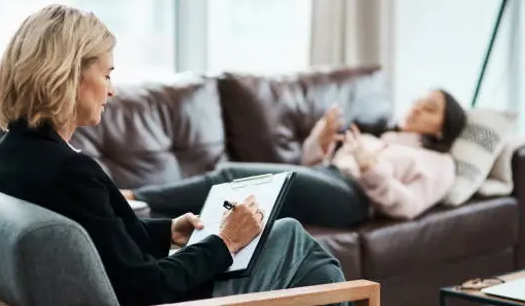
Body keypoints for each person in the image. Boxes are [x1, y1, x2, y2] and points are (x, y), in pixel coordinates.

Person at [0, 4, 351, 306]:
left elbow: (94, 243)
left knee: (322, 282)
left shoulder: (15, 152)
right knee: (289, 236)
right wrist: (225, 242)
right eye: (107, 74)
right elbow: (146, 287)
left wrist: (166, 231)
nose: (112, 90)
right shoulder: (70, 172)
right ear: (69, 75)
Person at [123, 89, 467, 227]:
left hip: (355, 200)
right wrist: (323, 139)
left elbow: (406, 207)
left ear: (443, 128)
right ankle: (143, 219)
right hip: (332, 180)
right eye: (419, 100)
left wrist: (368, 166)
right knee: (237, 194)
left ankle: (135, 199)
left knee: (234, 174)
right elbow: (312, 167)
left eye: (430, 108)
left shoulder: (439, 164)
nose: (417, 107)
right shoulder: (382, 138)